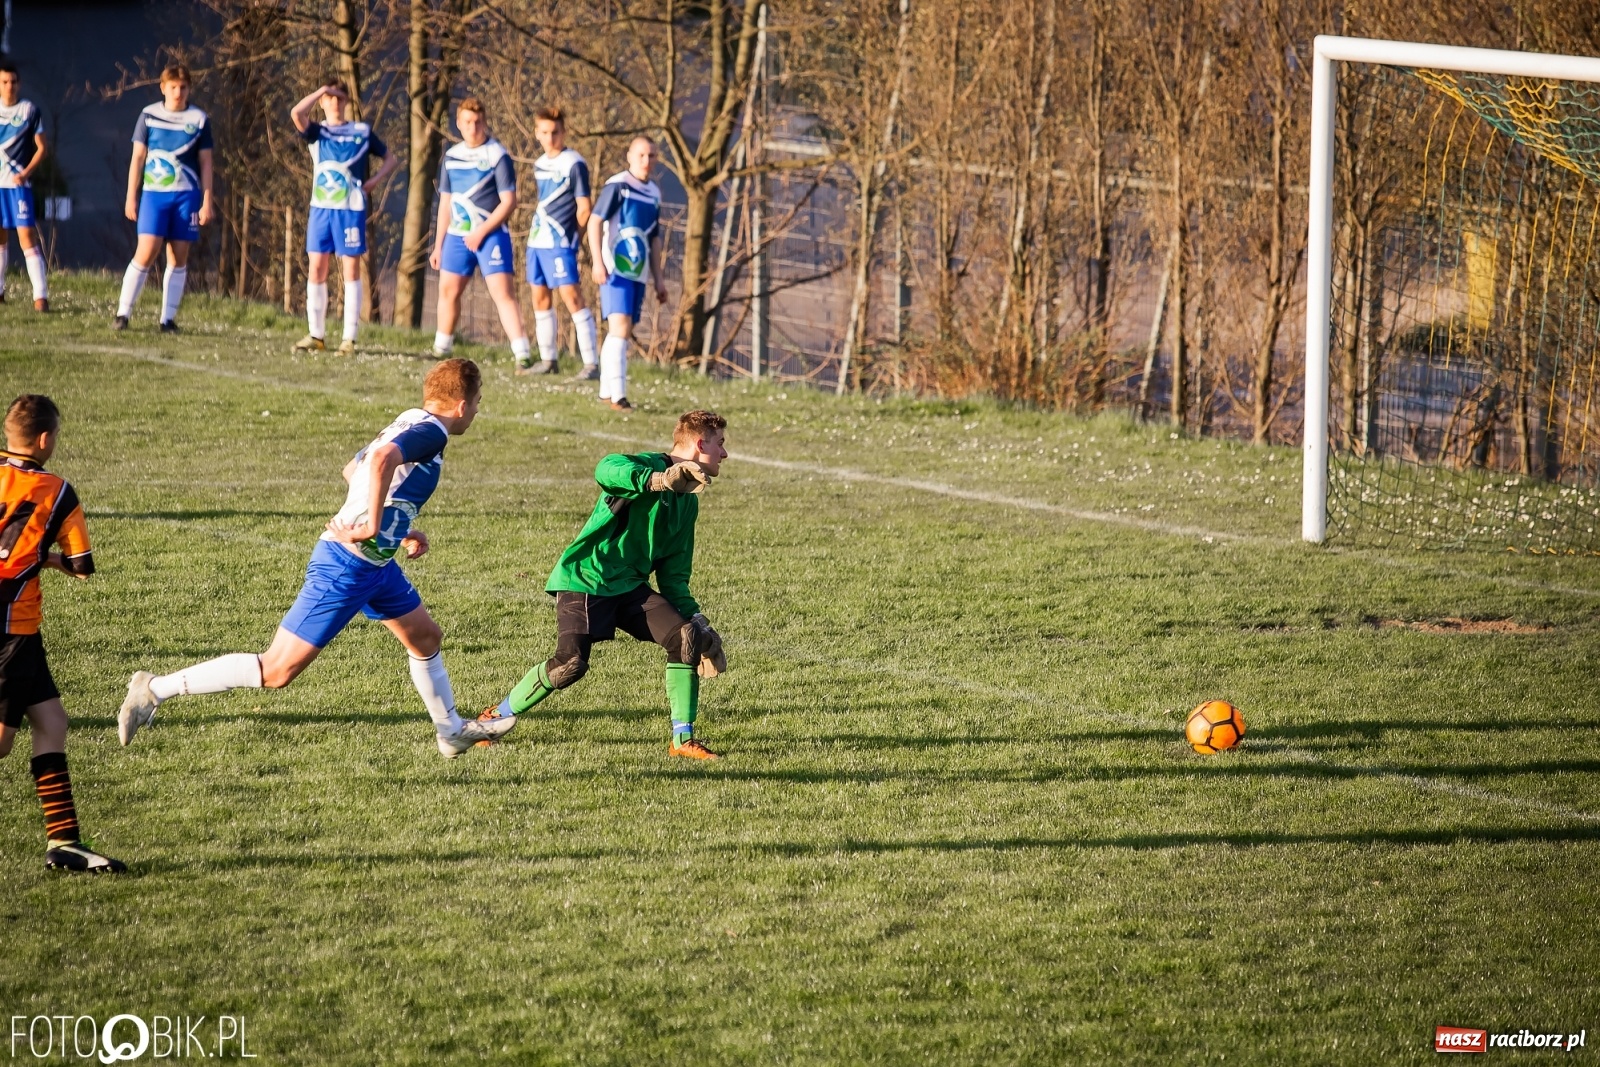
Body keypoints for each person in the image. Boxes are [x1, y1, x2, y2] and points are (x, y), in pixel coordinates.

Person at [117, 359, 516, 759]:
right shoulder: (434, 432)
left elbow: (353, 469)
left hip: (377, 565)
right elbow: (378, 463)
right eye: (478, 401)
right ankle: (154, 689)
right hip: (348, 562)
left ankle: (450, 732)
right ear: (462, 405)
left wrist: (399, 525)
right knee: (276, 670)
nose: (479, 410)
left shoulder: (410, 418)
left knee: (425, 637)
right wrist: (372, 523)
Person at [480, 410, 730, 760]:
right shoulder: (645, 466)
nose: (724, 454)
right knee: (571, 665)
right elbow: (606, 468)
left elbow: (673, 577)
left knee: (686, 637)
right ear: (700, 443)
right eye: (720, 444)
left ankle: (682, 739)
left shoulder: (687, 503)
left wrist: (700, 622)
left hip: (629, 587)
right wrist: (659, 479)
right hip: (587, 577)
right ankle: (492, 720)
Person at [0, 396, 125, 873]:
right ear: (47, 440)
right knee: (3, 741)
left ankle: (64, 842)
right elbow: (81, 566)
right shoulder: (59, 491)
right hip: (11, 628)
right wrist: (46, 558)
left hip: (20, 632)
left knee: (51, 721)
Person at [289, 80, 399, 355]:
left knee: (350, 270)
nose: (335, 103)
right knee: (317, 268)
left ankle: (349, 339)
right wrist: (319, 91)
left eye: (340, 98)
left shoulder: (361, 132)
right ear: (323, 103)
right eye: (330, 99)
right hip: (321, 209)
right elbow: (296, 114)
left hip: (350, 210)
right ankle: (316, 335)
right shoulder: (317, 132)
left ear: (347, 102)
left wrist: (375, 181)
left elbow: (391, 159)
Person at [429, 98, 530, 365]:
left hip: (491, 235)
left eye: (478, 122)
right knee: (448, 291)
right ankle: (442, 348)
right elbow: (445, 203)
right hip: (456, 236)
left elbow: (509, 201)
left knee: (502, 294)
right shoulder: (451, 157)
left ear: (484, 122)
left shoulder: (498, 155)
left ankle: (522, 354)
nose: (473, 127)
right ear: (459, 124)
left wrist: (481, 232)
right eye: (468, 122)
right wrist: (439, 245)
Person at [115, 64, 214, 333]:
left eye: (183, 87)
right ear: (163, 88)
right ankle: (123, 313)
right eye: (173, 87)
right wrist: (130, 197)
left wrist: (206, 201)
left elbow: (206, 163)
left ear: (189, 89)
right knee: (146, 251)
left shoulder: (199, 119)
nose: (178, 92)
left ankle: (167, 319)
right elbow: (138, 158)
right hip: (154, 195)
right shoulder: (148, 116)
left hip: (186, 196)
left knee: (179, 255)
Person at [586, 136, 669, 412]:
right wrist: (598, 261)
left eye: (652, 156)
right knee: (620, 329)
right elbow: (595, 221)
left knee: (622, 330)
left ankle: (606, 390)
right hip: (615, 270)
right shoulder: (618, 185)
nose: (647, 161)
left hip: (639, 273)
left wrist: (658, 279)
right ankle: (619, 396)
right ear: (630, 155)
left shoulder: (655, 193)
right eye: (642, 155)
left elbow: (654, 239)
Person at [522, 107, 597, 378]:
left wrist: (573, 237)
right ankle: (548, 360)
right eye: (544, 132)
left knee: (572, 297)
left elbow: (584, 207)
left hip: (560, 242)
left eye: (555, 132)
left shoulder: (574, 163)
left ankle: (591, 364)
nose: (550, 137)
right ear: (537, 133)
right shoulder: (540, 163)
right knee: (540, 297)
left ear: (563, 132)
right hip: (536, 240)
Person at [0, 61, 50, 311]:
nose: (10, 86)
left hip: (18, 185)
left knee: (26, 236)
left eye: (13, 82)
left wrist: (26, 172)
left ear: (20, 84)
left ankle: (40, 296)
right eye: (5, 82)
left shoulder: (29, 111)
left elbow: (42, 148)